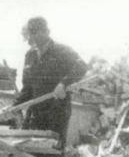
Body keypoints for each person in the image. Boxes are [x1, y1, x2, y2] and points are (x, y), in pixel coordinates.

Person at [16, 16, 88, 147]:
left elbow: (82, 66)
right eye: (30, 34)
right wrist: (14, 106)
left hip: (56, 111)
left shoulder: (62, 50)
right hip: (35, 112)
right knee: (29, 150)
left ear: (45, 32)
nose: (30, 39)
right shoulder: (30, 56)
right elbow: (27, 88)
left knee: (53, 152)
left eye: (34, 33)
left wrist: (63, 83)